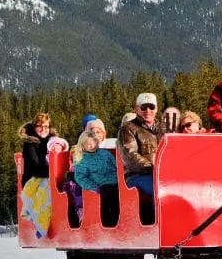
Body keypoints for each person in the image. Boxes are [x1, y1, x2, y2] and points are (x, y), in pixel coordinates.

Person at [118, 92, 163, 224]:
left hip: (162, 175)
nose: (147, 111)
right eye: (143, 107)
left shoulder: (164, 128)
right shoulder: (128, 128)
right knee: (160, 189)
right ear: (136, 109)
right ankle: (158, 225)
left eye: (151, 107)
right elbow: (130, 155)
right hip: (137, 175)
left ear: (157, 109)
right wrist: (154, 169)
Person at [68, 129, 119, 226]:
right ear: (82, 145)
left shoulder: (105, 154)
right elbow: (80, 177)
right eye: (88, 144)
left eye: (93, 142)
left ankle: (120, 222)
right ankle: (109, 224)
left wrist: (121, 177)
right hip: (101, 185)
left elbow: (116, 166)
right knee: (109, 199)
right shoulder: (82, 158)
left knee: (121, 196)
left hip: (116, 182)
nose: (91, 146)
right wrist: (94, 187)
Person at [18, 113, 56, 238]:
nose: (43, 129)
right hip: (33, 179)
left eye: (46, 126)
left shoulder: (52, 142)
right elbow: (35, 167)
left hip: (47, 175)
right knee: (47, 191)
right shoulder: (30, 144)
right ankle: (41, 225)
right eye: (40, 126)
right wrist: (53, 172)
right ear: (34, 127)